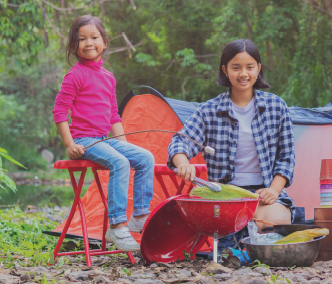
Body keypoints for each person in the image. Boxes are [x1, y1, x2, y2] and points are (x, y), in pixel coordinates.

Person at [168, 39, 295, 232]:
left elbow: (286, 157)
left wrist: (274, 190)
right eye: (236, 68)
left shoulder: (277, 107)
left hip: (264, 193)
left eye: (250, 67)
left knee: (273, 226)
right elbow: (181, 141)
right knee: (234, 234)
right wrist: (183, 163)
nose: (243, 74)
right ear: (225, 70)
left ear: (258, 69)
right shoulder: (208, 110)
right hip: (223, 197)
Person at [52, 15, 154, 252]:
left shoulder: (108, 77)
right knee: (119, 162)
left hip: (105, 139)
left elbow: (113, 116)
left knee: (145, 157)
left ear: (105, 42)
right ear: (74, 46)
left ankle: (139, 216)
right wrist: (69, 144)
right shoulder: (75, 75)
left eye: (94, 37)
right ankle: (117, 226)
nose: (89, 43)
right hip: (84, 141)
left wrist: (125, 145)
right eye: (82, 39)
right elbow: (59, 111)